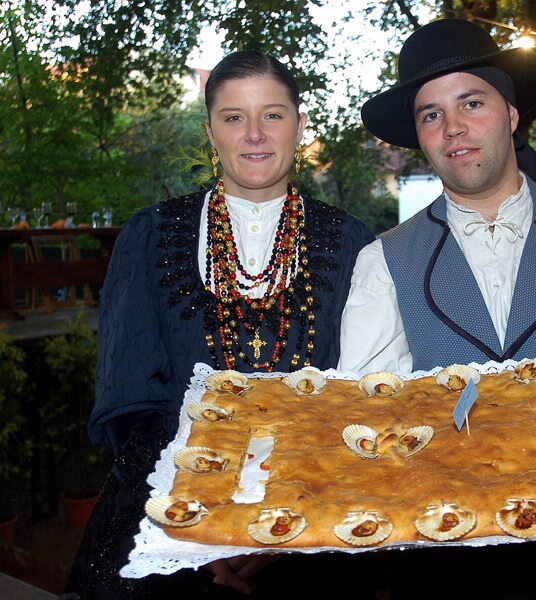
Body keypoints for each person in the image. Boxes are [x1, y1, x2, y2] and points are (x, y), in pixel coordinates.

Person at [339, 17, 536, 600]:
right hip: (432, 552)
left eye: (471, 102)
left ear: (512, 115)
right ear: (419, 137)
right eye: (431, 114)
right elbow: (376, 406)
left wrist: (519, 465)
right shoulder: (382, 261)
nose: (454, 127)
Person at [63, 51, 375, 599]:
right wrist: (197, 526)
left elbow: (362, 398)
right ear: (211, 130)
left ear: (301, 126)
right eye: (234, 118)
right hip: (170, 517)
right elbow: (130, 399)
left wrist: (281, 522)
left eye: (273, 115)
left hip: (313, 520)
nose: (254, 135)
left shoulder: (353, 243)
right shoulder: (149, 236)